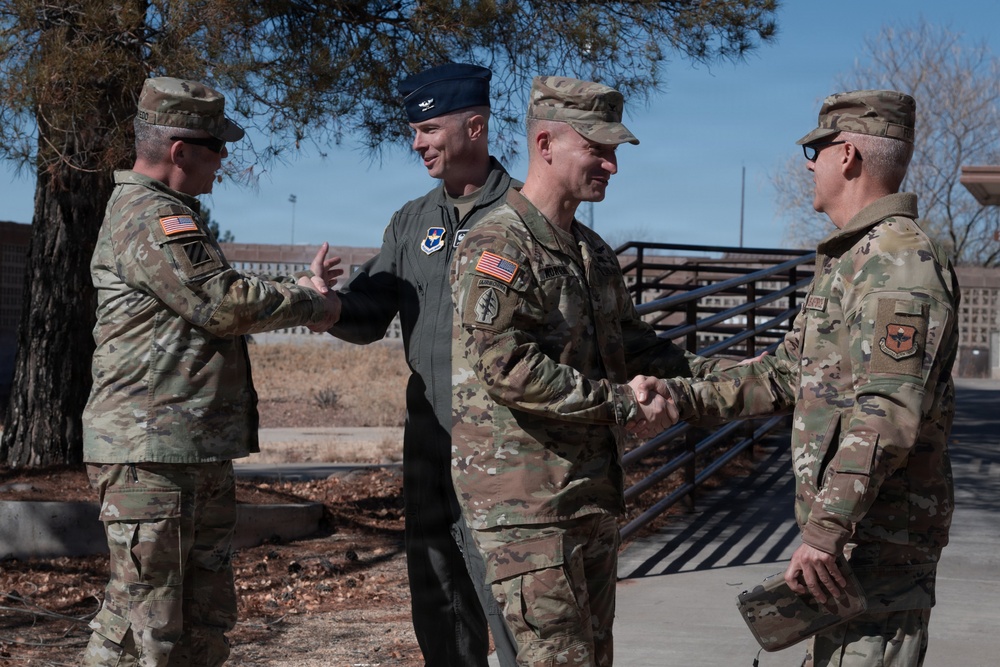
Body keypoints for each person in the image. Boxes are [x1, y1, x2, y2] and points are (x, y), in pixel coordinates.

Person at [659, 90, 960, 666]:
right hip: (852, 548)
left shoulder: (897, 261)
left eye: (813, 151)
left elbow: (887, 413)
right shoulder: (853, 260)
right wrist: (667, 388)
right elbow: (782, 376)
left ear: (846, 155)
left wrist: (825, 530)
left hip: (877, 549)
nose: (810, 166)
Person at [450, 76, 719, 667]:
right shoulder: (496, 244)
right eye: (598, 149)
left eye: (615, 152)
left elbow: (639, 349)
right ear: (545, 143)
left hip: (589, 497)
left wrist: (730, 376)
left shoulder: (592, 252)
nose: (612, 166)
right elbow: (509, 368)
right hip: (529, 509)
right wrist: (627, 404)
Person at [81, 76, 341, 666]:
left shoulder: (177, 217)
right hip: (150, 455)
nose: (224, 162)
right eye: (217, 148)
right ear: (180, 151)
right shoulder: (149, 216)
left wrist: (298, 289)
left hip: (187, 450)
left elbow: (217, 295)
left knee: (202, 621)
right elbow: (224, 303)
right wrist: (312, 304)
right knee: (145, 627)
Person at [326, 63, 518, 666]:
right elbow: (369, 310)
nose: (417, 143)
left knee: (513, 597)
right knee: (438, 592)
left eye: (429, 127)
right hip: (430, 439)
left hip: (507, 445)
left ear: (476, 126)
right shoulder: (411, 222)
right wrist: (326, 304)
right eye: (414, 130)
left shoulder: (528, 215)